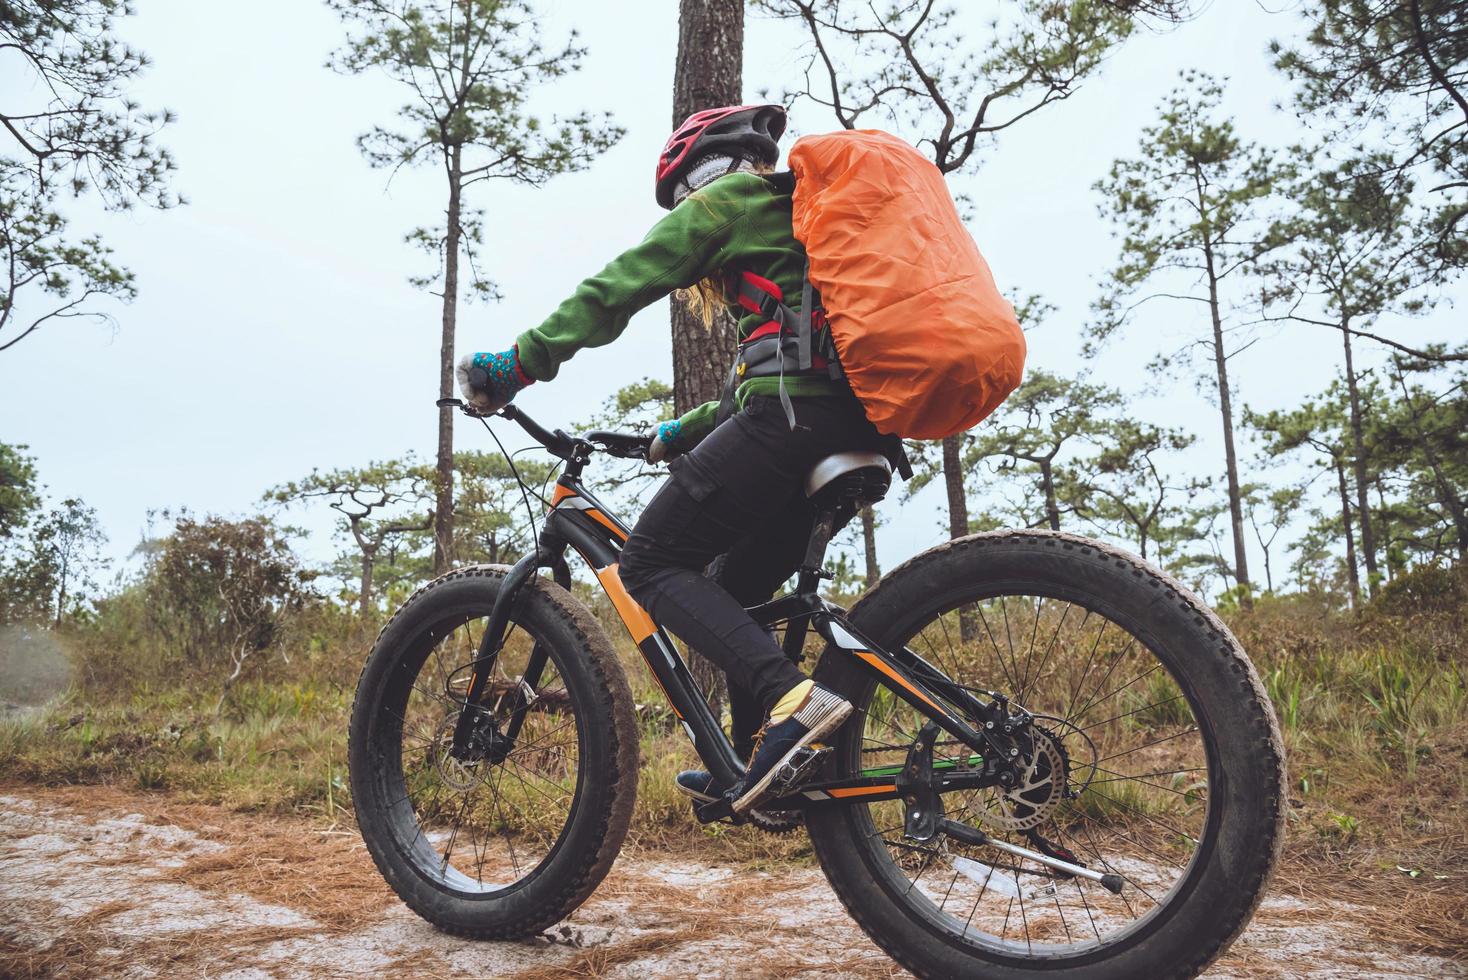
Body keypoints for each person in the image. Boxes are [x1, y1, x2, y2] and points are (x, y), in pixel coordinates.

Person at [456, 104, 891, 814]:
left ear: (704, 172)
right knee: (735, 586)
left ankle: (792, 701)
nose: (688, 207)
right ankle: (761, 767)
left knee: (650, 565)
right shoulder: (795, 224)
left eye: (684, 194)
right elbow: (764, 376)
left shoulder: (734, 198)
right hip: (850, 421)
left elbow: (620, 286)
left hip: (796, 417)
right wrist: (672, 434)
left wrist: (519, 365)